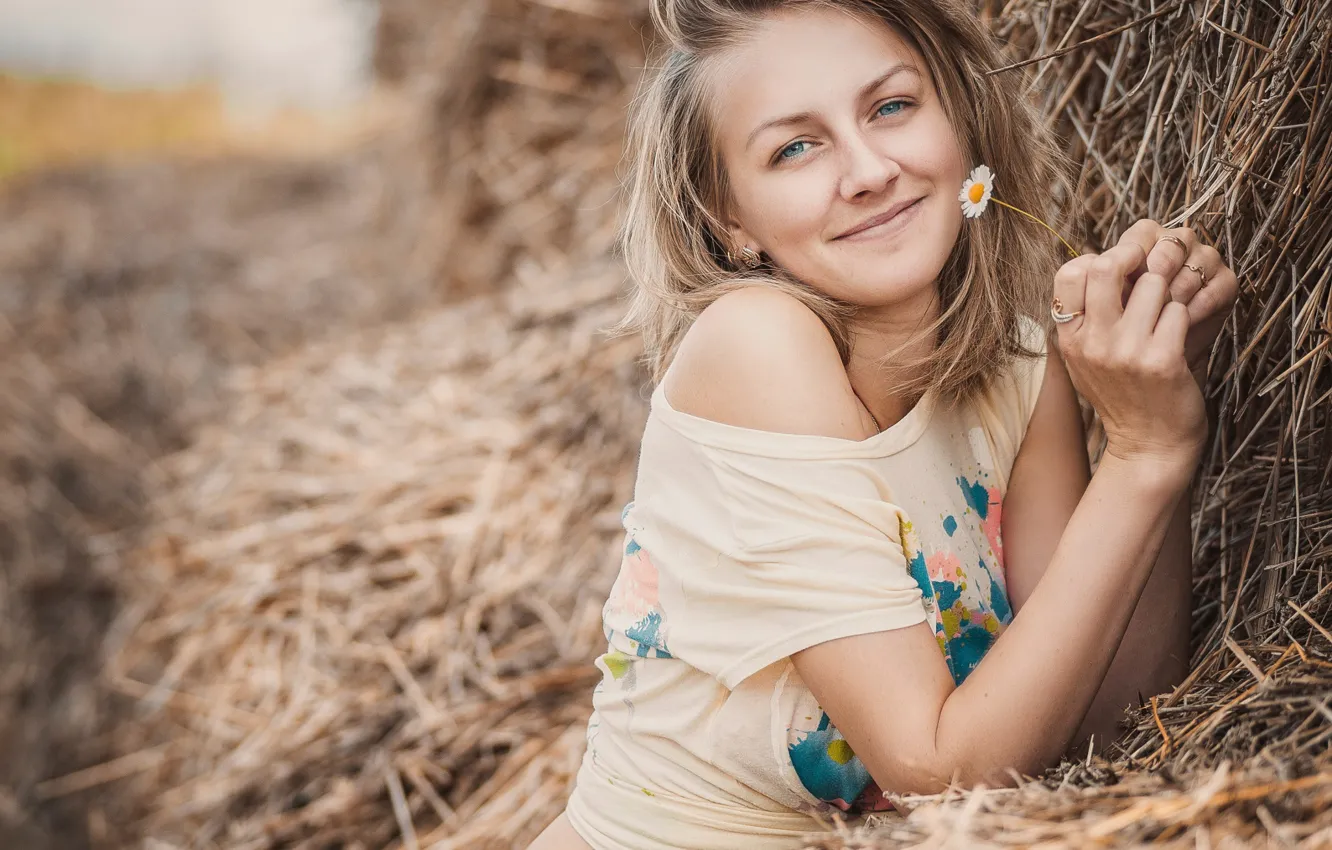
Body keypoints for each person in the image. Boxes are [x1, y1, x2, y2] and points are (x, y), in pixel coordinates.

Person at [530, 0, 1238, 847]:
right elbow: (940, 775)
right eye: (795, 148)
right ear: (731, 220)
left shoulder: (1018, 359)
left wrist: (1163, 401)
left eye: (892, 108)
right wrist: (1142, 453)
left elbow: (1104, 724)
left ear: (960, 124)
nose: (867, 170)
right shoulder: (756, 346)